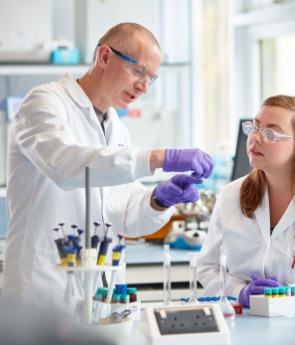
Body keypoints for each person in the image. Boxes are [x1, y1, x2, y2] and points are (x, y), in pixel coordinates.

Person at [3, 22, 214, 309]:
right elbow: (66, 164)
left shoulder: (117, 128)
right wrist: (158, 158)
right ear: (104, 57)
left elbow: (125, 216)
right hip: (43, 292)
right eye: (139, 71)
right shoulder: (44, 103)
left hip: (104, 296)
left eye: (150, 78)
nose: (142, 86)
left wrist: (157, 200)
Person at [197, 94, 295, 308]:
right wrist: (239, 292)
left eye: (270, 133)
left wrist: (294, 295)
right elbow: (208, 267)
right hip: (244, 328)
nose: (255, 138)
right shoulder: (230, 197)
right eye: (254, 127)